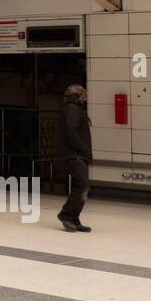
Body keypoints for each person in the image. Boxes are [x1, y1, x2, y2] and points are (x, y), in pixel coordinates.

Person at [56, 84, 93, 232]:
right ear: (78, 96)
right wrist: (84, 151)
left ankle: (74, 218)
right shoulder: (73, 110)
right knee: (81, 186)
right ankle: (66, 214)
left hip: (76, 155)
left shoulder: (73, 109)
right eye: (83, 95)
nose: (85, 98)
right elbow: (71, 132)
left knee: (82, 186)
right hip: (75, 155)